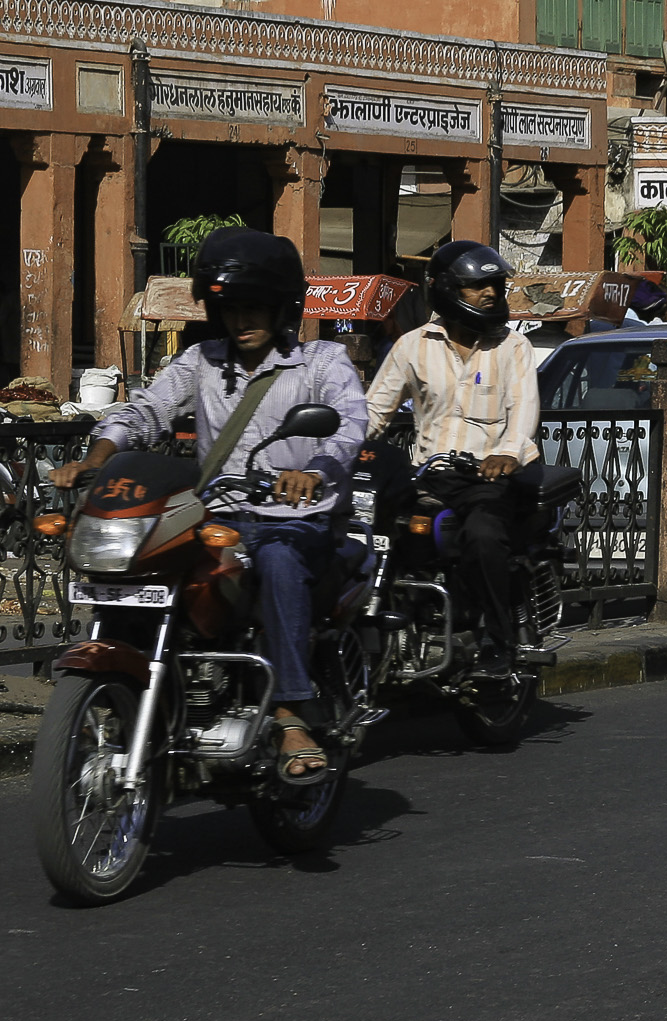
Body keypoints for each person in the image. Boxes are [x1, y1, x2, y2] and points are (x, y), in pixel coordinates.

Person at [53, 228, 368, 782]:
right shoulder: (200, 360)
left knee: (276, 562)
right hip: (216, 516)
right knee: (145, 565)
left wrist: (312, 471)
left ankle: (291, 710)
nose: (241, 320)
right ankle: (137, 692)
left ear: (282, 308)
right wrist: (96, 458)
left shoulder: (322, 361)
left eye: (254, 308)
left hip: (296, 522)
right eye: (229, 309)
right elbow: (143, 410)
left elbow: (347, 427)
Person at [364, 240, 540, 674]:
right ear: (445, 289)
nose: (490, 294)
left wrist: (506, 453)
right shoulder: (411, 346)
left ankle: (499, 641)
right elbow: (373, 412)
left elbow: (523, 412)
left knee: (482, 536)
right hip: (429, 477)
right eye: (476, 286)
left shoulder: (512, 347)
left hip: (490, 480)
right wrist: (337, 448)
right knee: (376, 535)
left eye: (494, 285)